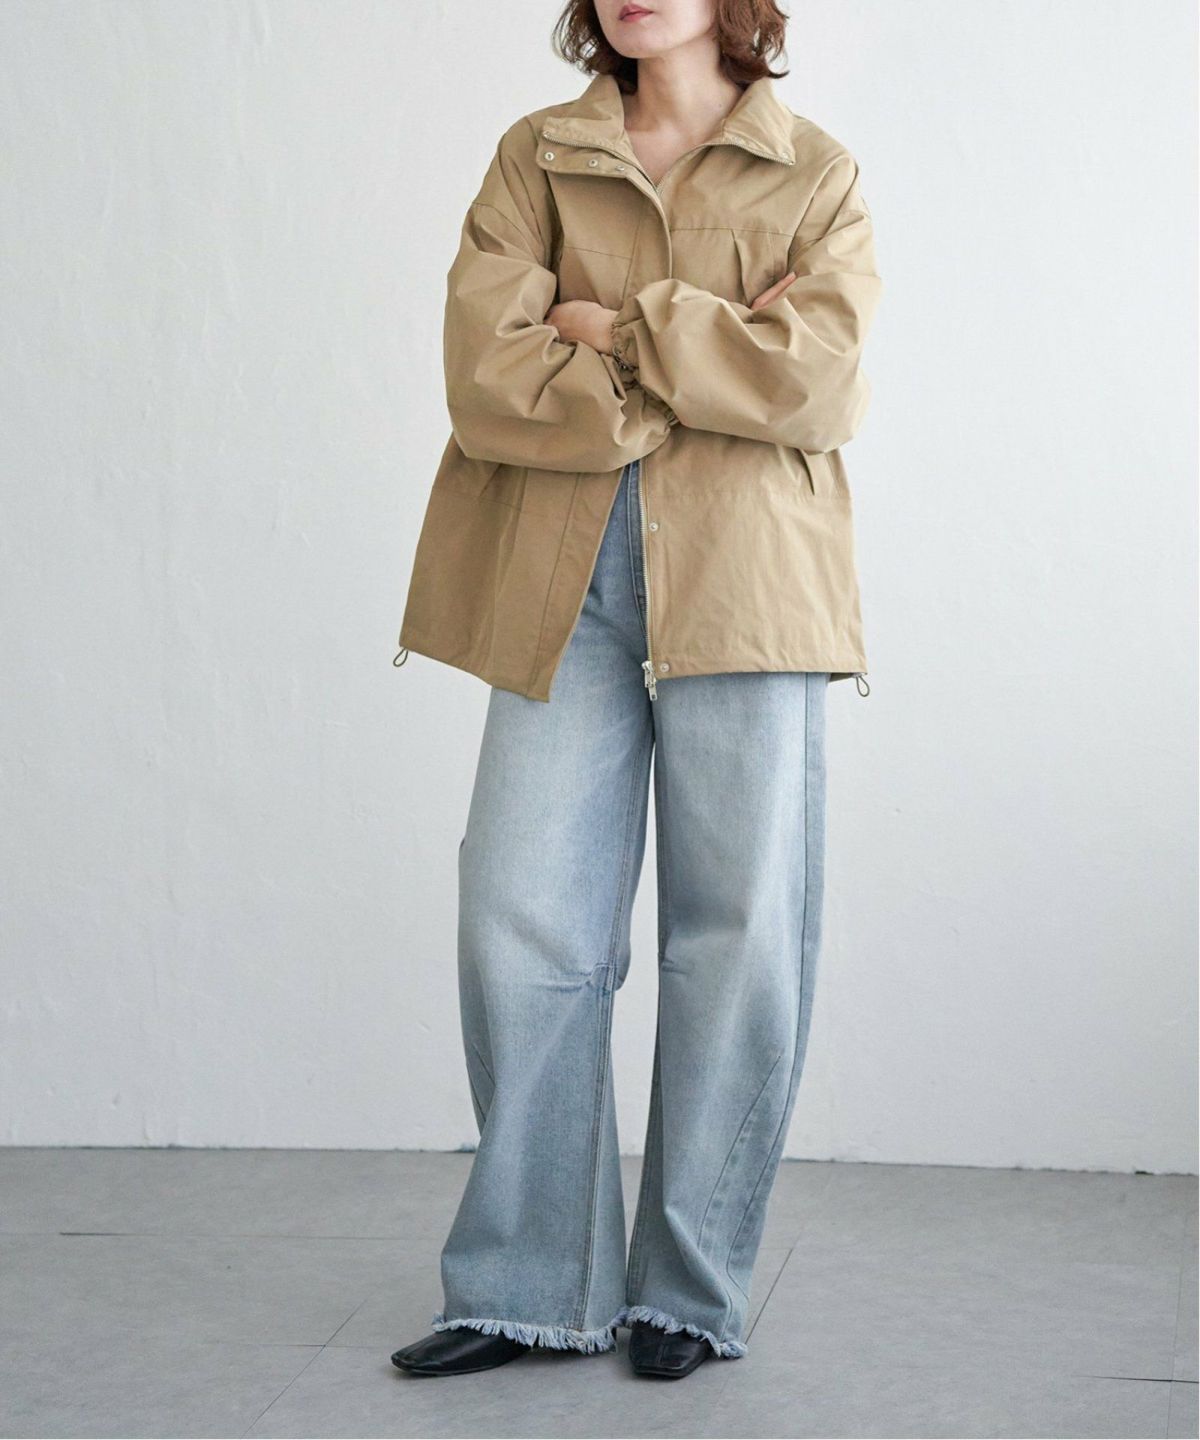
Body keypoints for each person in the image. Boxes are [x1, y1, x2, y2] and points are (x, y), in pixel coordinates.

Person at [390, 0, 881, 1382]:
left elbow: (818, 384)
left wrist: (610, 324)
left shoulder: (815, 173)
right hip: (562, 580)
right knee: (520, 923)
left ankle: (690, 1291)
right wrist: (707, 351)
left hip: (747, 589)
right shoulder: (536, 157)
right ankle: (528, 1284)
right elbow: (487, 373)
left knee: (735, 938)